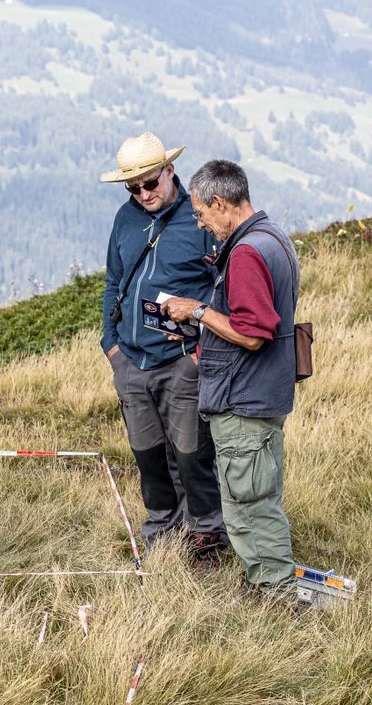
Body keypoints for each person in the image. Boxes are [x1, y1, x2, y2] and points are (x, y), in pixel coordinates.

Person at [163, 160, 300, 602]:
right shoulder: (273, 236)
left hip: (244, 400)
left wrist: (198, 312)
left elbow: (254, 332)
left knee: (248, 505)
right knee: (254, 496)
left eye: (202, 214)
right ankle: (265, 581)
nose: (201, 223)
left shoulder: (244, 253)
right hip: (262, 393)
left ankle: (274, 594)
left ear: (220, 203)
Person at [100, 132, 229, 569]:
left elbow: (225, 287)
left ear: (170, 171)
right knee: (147, 453)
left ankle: (207, 532)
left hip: (182, 363)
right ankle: (162, 527)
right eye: (134, 188)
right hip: (131, 361)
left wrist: (197, 350)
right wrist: (111, 346)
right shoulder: (124, 219)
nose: (144, 194)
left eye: (150, 183)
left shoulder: (200, 220)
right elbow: (113, 283)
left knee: (192, 453)